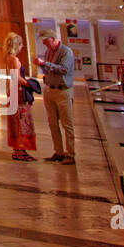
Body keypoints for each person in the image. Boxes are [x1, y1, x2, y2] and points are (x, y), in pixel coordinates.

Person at [37, 30, 76, 165]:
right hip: (50, 90)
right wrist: (43, 67)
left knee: (67, 124)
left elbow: (64, 69)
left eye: (46, 41)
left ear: (53, 39)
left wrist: (45, 64)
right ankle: (59, 152)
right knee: (53, 123)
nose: (44, 44)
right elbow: (49, 69)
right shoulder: (48, 52)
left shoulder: (66, 52)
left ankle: (70, 154)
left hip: (62, 91)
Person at [4, 33, 36, 161]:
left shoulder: (7, 57)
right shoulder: (14, 60)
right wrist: (31, 84)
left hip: (12, 92)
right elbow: (17, 78)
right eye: (21, 44)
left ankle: (17, 150)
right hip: (18, 93)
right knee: (21, 121)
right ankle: (20, 150)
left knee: (15, 122)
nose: (22, 47)